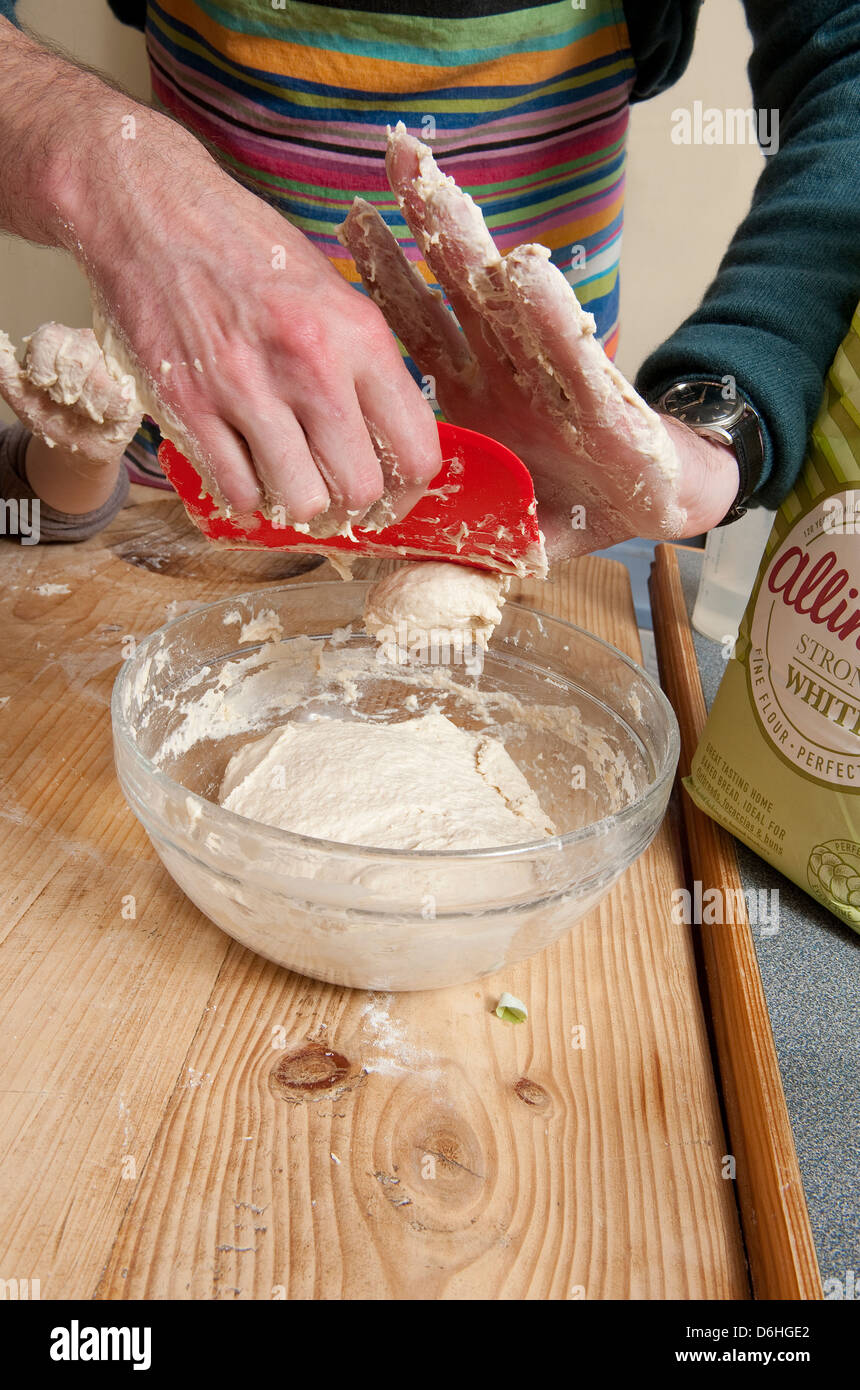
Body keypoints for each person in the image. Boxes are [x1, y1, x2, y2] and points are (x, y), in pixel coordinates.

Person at [0, 0, 858, 553]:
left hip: (549, 523)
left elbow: (846, 52)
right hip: (185, 508)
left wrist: (730, 405)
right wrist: (109, 168)